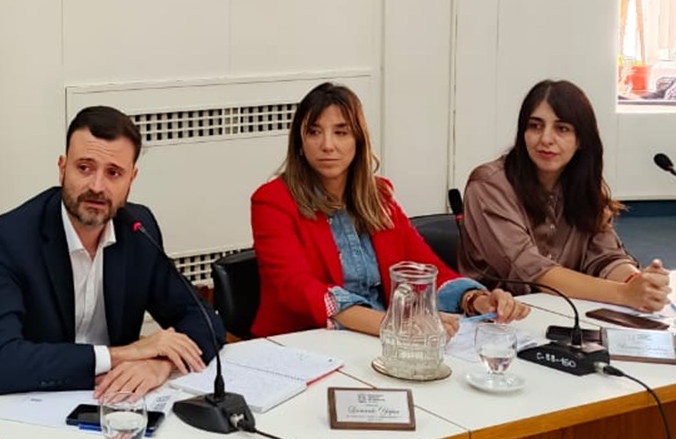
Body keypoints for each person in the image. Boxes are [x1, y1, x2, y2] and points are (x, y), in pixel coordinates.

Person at [0, 105, 224, 396]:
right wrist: (127, 353)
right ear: (62, 168)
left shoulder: (139, 230)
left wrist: (159, 363)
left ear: (131, 180)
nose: (97, 186)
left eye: (114, 173)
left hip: (114, 400)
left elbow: (204, 320)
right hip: (23, 402)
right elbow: (0, 363)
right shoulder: (5, 241)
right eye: (84, 168)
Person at [250, 82, 528, 338]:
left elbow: (424, 267)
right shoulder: (272, 201)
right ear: (299, 143)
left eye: (341, 132)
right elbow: (297, 287)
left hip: (382, 339)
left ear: (358, 141)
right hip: (308, 344)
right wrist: (396, 325)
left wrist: (475, 300)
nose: (327, 145)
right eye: (314, 132)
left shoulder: (380, 196)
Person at [459, 79, 671, 312]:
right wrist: (624, 294)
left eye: (562, 129)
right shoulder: (489, 185)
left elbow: (606, 256)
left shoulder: (581, 184)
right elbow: (531, 270)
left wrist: (639, 283)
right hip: (495, 318)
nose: (546, 139)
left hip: (566, 313)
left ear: (581, 139)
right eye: (535, 126)